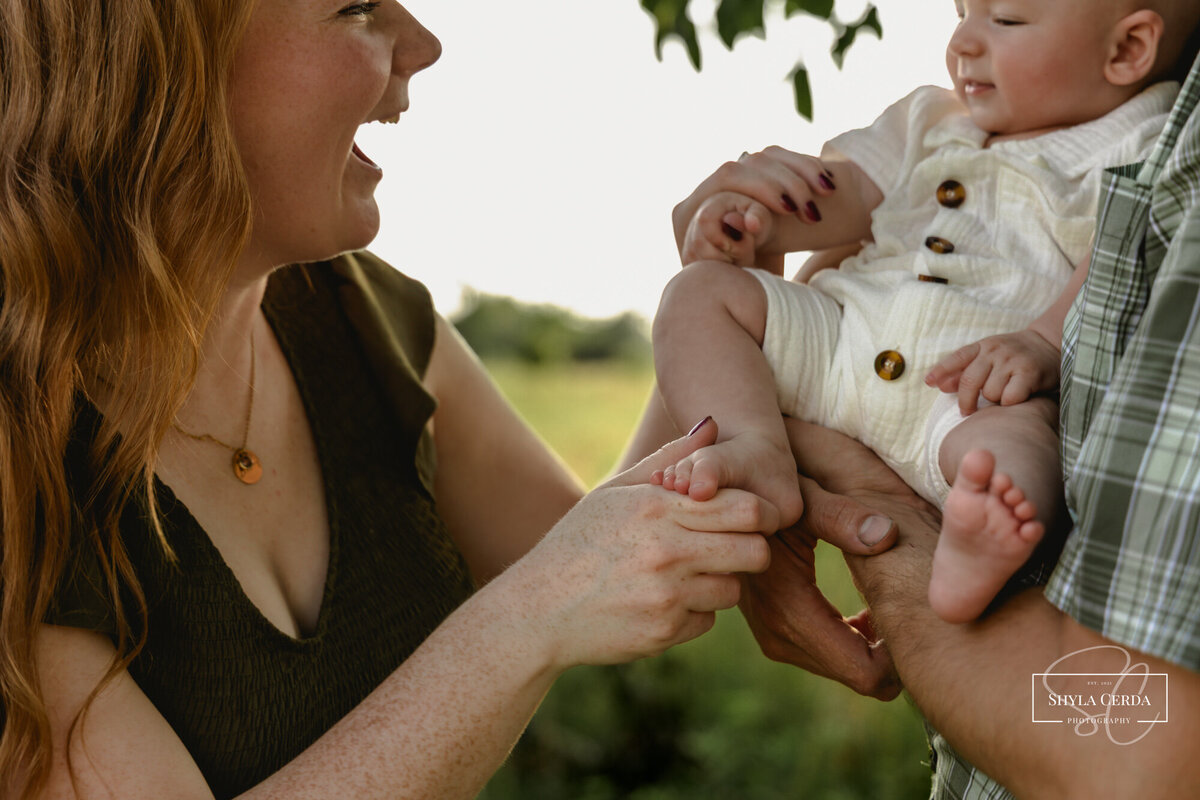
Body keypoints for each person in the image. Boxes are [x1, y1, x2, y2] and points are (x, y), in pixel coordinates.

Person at [0, 2, 824, 797]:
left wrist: (718, 311)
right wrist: (521, 623)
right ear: (157, 64)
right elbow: (555, 583)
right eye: (357, 6)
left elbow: (592, 554)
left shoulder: (366, 319)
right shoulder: (18, 433)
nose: (424, 43)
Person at [675, 13, 1200, 800]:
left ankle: (973, 544)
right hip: (845, 341)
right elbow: (843, 197)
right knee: (699, 295)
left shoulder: (1143, 139)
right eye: (961, 13)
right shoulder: (927, 118)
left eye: (1010, 18)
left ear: (1126, 50)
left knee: (1014, 441)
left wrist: (1043, 343)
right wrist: (754, 218)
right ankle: (753, 442)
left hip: (964, 386)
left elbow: (1107, 263)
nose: (964, 42)